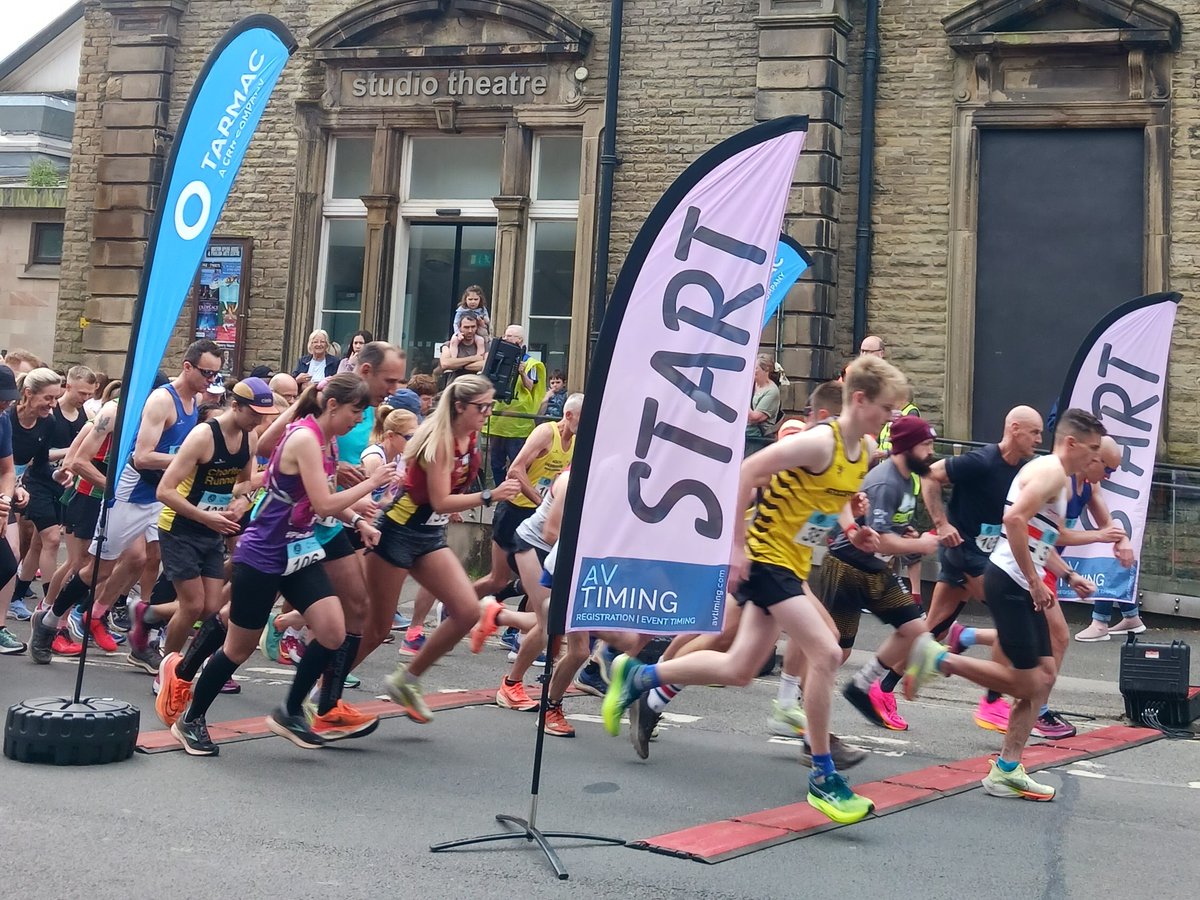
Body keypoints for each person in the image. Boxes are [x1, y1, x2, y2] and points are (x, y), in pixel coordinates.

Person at [601, 356, 910, 825]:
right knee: (827, 651)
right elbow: (745, 472)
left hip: (793, 561)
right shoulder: (817, 442)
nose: (891, 418)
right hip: (768, 559)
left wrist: (854, 527)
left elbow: (832, 496)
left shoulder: (864, 448)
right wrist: (736, 549)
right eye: (886, 408)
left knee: (740, 668)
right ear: (861, 399)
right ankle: (823, 777)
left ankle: (640, 677)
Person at [171, 375, 395, 756]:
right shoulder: (306, 438)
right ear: (332, 405)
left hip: (299, 550)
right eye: (356, 412)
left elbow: (322, 498)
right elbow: (323, 503)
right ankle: (190, 719)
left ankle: (290, 710)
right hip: (263, 554)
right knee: (238, 648)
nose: (360, 420)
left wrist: (359, 519)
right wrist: (372, 482)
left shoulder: (326, 440)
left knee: (333, 631)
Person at [905, 408, 1108, 802]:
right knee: (1031, 682)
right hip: (1011, 581)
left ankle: (1008, 768)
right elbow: (1013, 520)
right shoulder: (1051, 473)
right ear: (1071, 443)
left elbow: (1039, 535)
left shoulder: (1053, 475)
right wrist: (1034, 581)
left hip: (1015, 578)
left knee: (1044, 677)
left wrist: (1067, 575)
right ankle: (939, 659)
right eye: (1093, 449)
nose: (1096, 457)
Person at [31, 340, 222, 660]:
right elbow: (138, 457)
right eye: (207, 373)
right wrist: (191, 460)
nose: (211, 380)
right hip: (129, 493)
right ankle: (50, 619)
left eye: (216, 375)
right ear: (187, 367)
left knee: (151, 558)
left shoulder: (196, 401)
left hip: (160, 494)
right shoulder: (140, 405)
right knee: (95, 568)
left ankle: (121, 622)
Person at [370, 375, 522, 722]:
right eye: (481, 407)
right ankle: (321, 695)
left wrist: (462, 500)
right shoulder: (440, 441)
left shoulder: (469, 439)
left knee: (466, 611)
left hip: (428, 534)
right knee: (375, 629)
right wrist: (490, 495)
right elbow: (440, 501)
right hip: (398, 530)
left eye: (490, 405)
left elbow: (444, 499)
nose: (487, 412)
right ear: (459, 407)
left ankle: (406, 680)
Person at [152, 378, 273, 723]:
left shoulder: (250, 436)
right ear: (235, 406)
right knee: (192, 605)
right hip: (180, 525)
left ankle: (147, 615)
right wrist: (206, 516)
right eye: (254, 413)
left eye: (264, 415)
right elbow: (165, 490)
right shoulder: (204, 436)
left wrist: (243, 501)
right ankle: (168, 670)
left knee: (210, 606)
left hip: (212, 526)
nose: (259, 421)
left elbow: (245, 484)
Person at [919, 405, 1043, 732]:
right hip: (963, 552)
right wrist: (941, 524)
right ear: (1014, 429)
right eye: (1034, 432)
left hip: (983, 555)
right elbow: (930, 475)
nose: (1039, 440)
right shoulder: (982, 460)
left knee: (933, 629)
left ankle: (877, 682)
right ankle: (991, 702)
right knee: (1012, 617)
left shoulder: (1024, 471)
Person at [821, 416, 942, 732]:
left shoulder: (907, 479)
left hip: (874, 568)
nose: (931, 452)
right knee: (837, 649)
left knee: (914, 628)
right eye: (926, 445)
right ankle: (799, 698)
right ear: (907, 447)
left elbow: (889, 525)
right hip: (847, 567)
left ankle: (861, 685)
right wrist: (919, 544)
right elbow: (878, 538)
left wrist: (906, 531)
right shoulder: (886, 482)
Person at [471, 393, 583, 710]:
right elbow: (515, 469)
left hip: (544, 529)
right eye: (584, 418)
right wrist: (542, 501)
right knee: (502, 583)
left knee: (546, 614)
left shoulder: (578, 444)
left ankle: (499, 618)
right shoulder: (545, 432)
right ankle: (464, 609)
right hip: (523, 520)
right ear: (569, 415)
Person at [5, 369, 66, 629]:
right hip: (7, 486)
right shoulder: (6, 417)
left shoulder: (48, 422)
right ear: (28, 393)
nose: (53, 405)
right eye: (48, 398)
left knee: (13, 553)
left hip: (14, 488)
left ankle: (9, 608)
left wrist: (56, 474)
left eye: (56, 398)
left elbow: (39, 464)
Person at [482, 325, 547, 486]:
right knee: (496, 462)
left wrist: (522, 373)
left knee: (517, 462)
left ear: (520, 340)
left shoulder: (531, 363)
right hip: (498, 421)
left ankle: (516, 492)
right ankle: (500, 490)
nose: (506, 339)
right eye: (505, 335)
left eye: (510, 336)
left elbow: (531, 386)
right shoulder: (498, 357)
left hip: (518, 423)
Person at [0, 366, 25, 653]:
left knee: (7, 563)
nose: (6, 402)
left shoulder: (3, 419)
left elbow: (7, 469)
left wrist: (5, 502)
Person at [439, 314, 487, 384]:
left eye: (473, 327)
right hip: (455, 384)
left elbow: (486, 365)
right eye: (466, 327)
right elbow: (445, 364)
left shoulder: (484, 344)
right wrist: (474, 358)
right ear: (459, 328)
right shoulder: (448, 345)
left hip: (476, 385)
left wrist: (456, 364)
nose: (470, 330)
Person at [746, 354, 781, 447]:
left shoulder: (772, 391)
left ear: (766, 370)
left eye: (756, 368)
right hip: (743, 433)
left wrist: (741, 400)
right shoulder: (751, 385)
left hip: (756, 439)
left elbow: (754, 418)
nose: (752, 370)